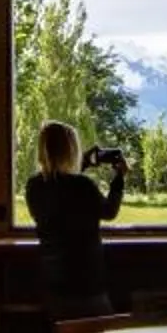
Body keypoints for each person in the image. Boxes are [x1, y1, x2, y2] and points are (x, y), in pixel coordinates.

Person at [24, 119, 125, 319]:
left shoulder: (34, 186)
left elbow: (61, 190)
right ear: (71, 150)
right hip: (87, 279)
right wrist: (119, 178)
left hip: (54, 280)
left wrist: (84, 163)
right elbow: (109, 211)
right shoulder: (83, 185)